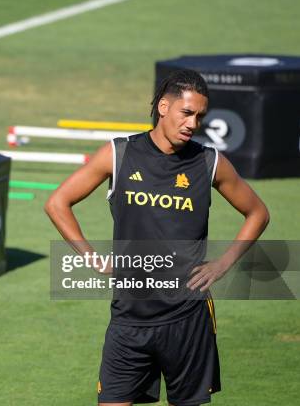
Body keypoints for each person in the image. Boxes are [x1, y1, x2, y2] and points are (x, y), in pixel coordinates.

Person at [44, 69, 269, 406]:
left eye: (200, 117)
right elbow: (57, 202)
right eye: (187, 113)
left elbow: (258, 213)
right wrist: (89, 256)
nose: (193, 124)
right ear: (164, 107)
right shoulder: (119, 154)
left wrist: (222, 264)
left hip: (188, 318)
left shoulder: (209, 162)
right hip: (128, 317)